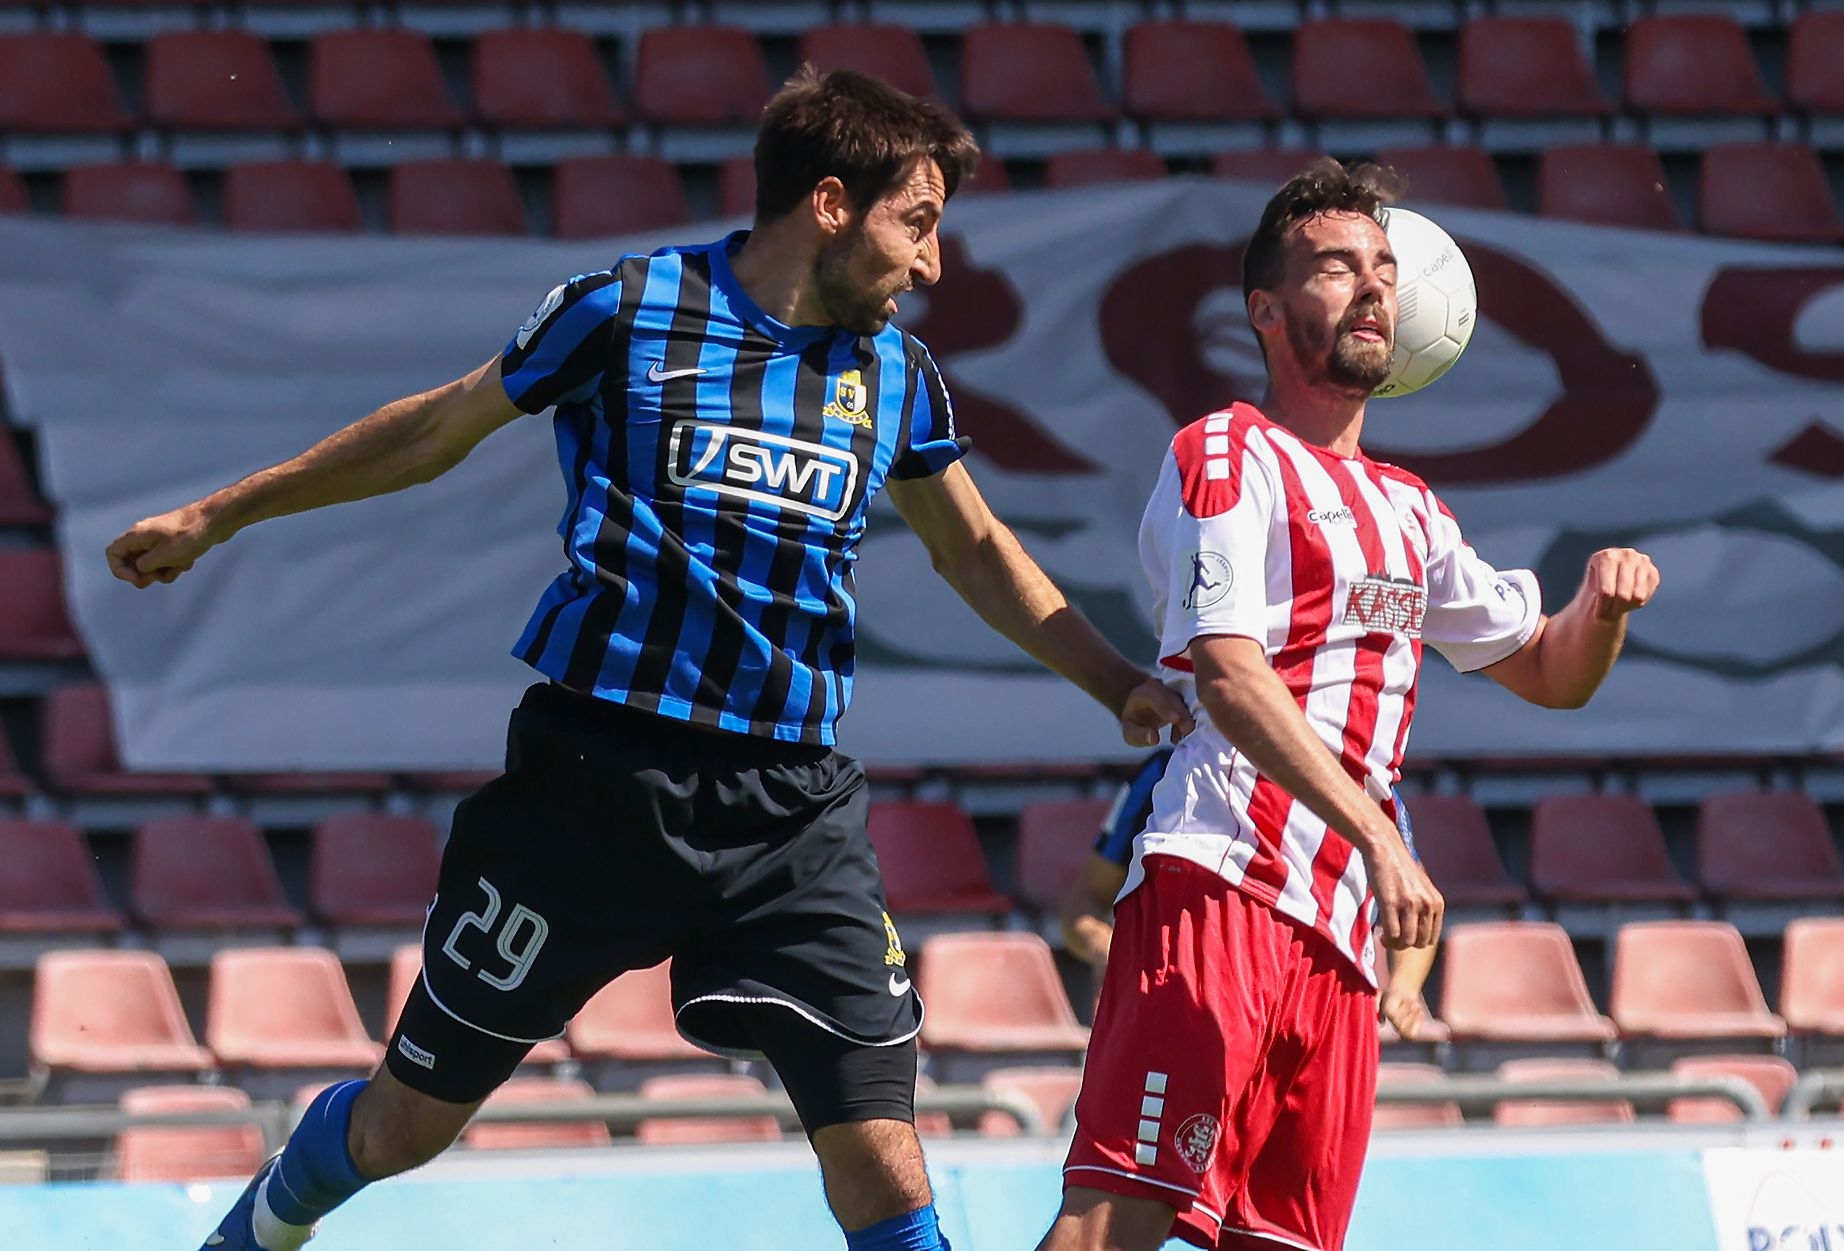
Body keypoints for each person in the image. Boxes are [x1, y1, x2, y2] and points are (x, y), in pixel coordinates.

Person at [105, 68, 1188, 1251]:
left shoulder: (894, 377)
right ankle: (265, 1226)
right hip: (591, 787)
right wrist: (220, 514)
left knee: (882, 1155)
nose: (931, 265)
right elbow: (433, 431)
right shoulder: (624, 311)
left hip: (790, 814)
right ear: (831, 203)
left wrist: (1120, 683)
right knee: (405, 1125)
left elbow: (975, 551)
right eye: (916, 223)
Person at [1037, 158, 1659, 1251]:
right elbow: (1229, 674)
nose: (1373, 286)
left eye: (1384, 268)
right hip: (1220, 883)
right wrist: (1379, 833)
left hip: (1341, 942)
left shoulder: (1412, 511)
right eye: (1335, 267)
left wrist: (1600, 610)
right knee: (1111, 1228)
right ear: (1265, 311)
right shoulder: (1226, 451)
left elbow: (1552, 675)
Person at [1060, 749, 1443, 1042]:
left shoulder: (1362, 784)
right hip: (1181, 1022)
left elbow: (1418, 904)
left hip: (1319, 1028)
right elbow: (1082, 909)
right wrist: (1121, 953)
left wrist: (1405, 988)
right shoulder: (1165, 775)